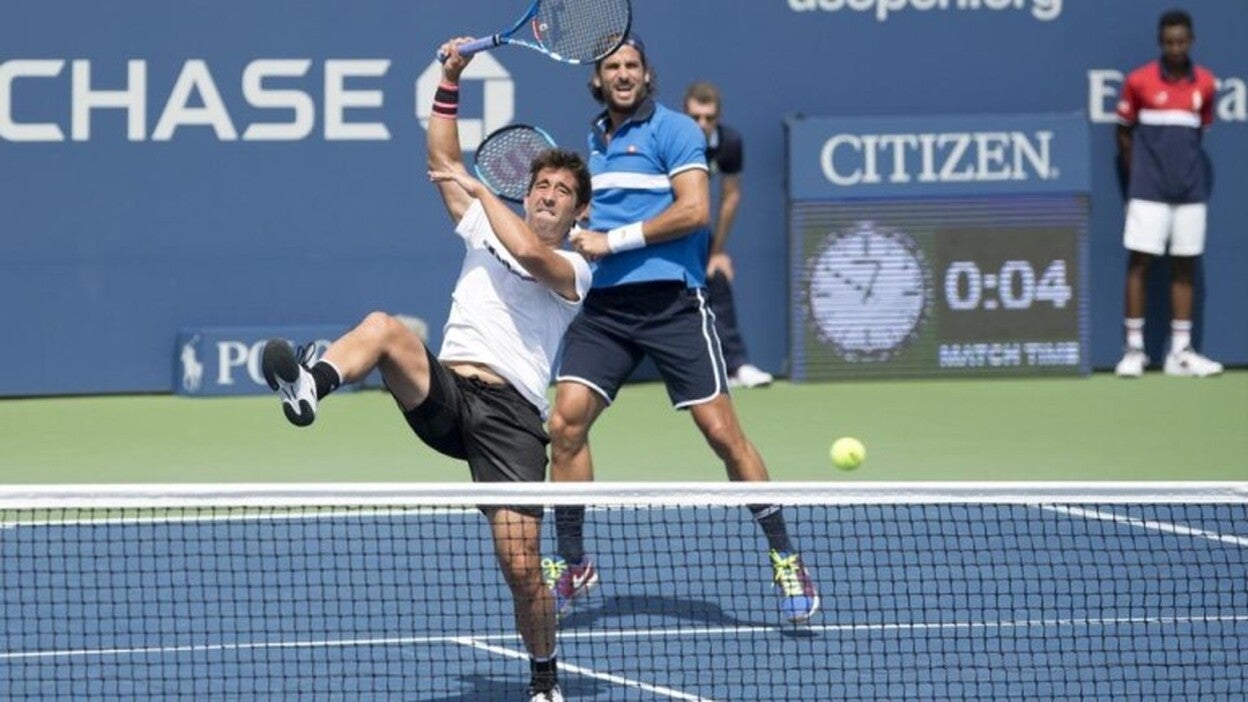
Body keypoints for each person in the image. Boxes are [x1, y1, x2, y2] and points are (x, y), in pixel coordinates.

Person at [260, 38, 592, 702]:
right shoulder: (487, 225)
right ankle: (309, 387)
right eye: (543, 185)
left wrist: (478, 187)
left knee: (522, 568)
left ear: (579, 211)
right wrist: (450, 76)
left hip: (510, 421)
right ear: (527, 193)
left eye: (563, 191)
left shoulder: (575, 269)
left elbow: (526, 252)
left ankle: (545, 680)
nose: (550, 195)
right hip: (446, 393)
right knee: (385, 327)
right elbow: (442, 159)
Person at [544, 34, 820, 625]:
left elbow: (694, 211)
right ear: (597, 79)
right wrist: (571, 227)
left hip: (672, 305)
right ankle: (572, 562)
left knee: (722, 434)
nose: (622, 74)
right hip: (605, 313)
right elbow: (586, 220)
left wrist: (611, 240)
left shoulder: (676, 131)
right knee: (564, 424)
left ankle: (785, 555)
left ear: (647, 75)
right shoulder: (593, 144)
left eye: (632, 66)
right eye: (612, 67)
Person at [1113, 9, 1223, 378]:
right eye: (1169, 42)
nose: (1175, 48)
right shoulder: (1138, 82)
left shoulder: (1206, 84)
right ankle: (1134, 349)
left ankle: (1181, 353)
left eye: (1181, 41)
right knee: (1139, 264)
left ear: (1190, 42)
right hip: (1148, 191)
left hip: (1190, 193)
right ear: (1161, 43)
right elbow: (1124, 134)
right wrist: (1140, 177)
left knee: (1184, 265)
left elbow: (1197, 135)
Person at [683, 81, 774, 389]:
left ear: (718, 117)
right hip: (658, 223)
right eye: (695, 117)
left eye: (708, 118)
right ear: (685, 115)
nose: (702, 124)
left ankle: (736, 366)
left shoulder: (730, 142)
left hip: (694, 227)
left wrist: (717, 250)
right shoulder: (672, 139)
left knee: (717, 276)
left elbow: (731, 196)